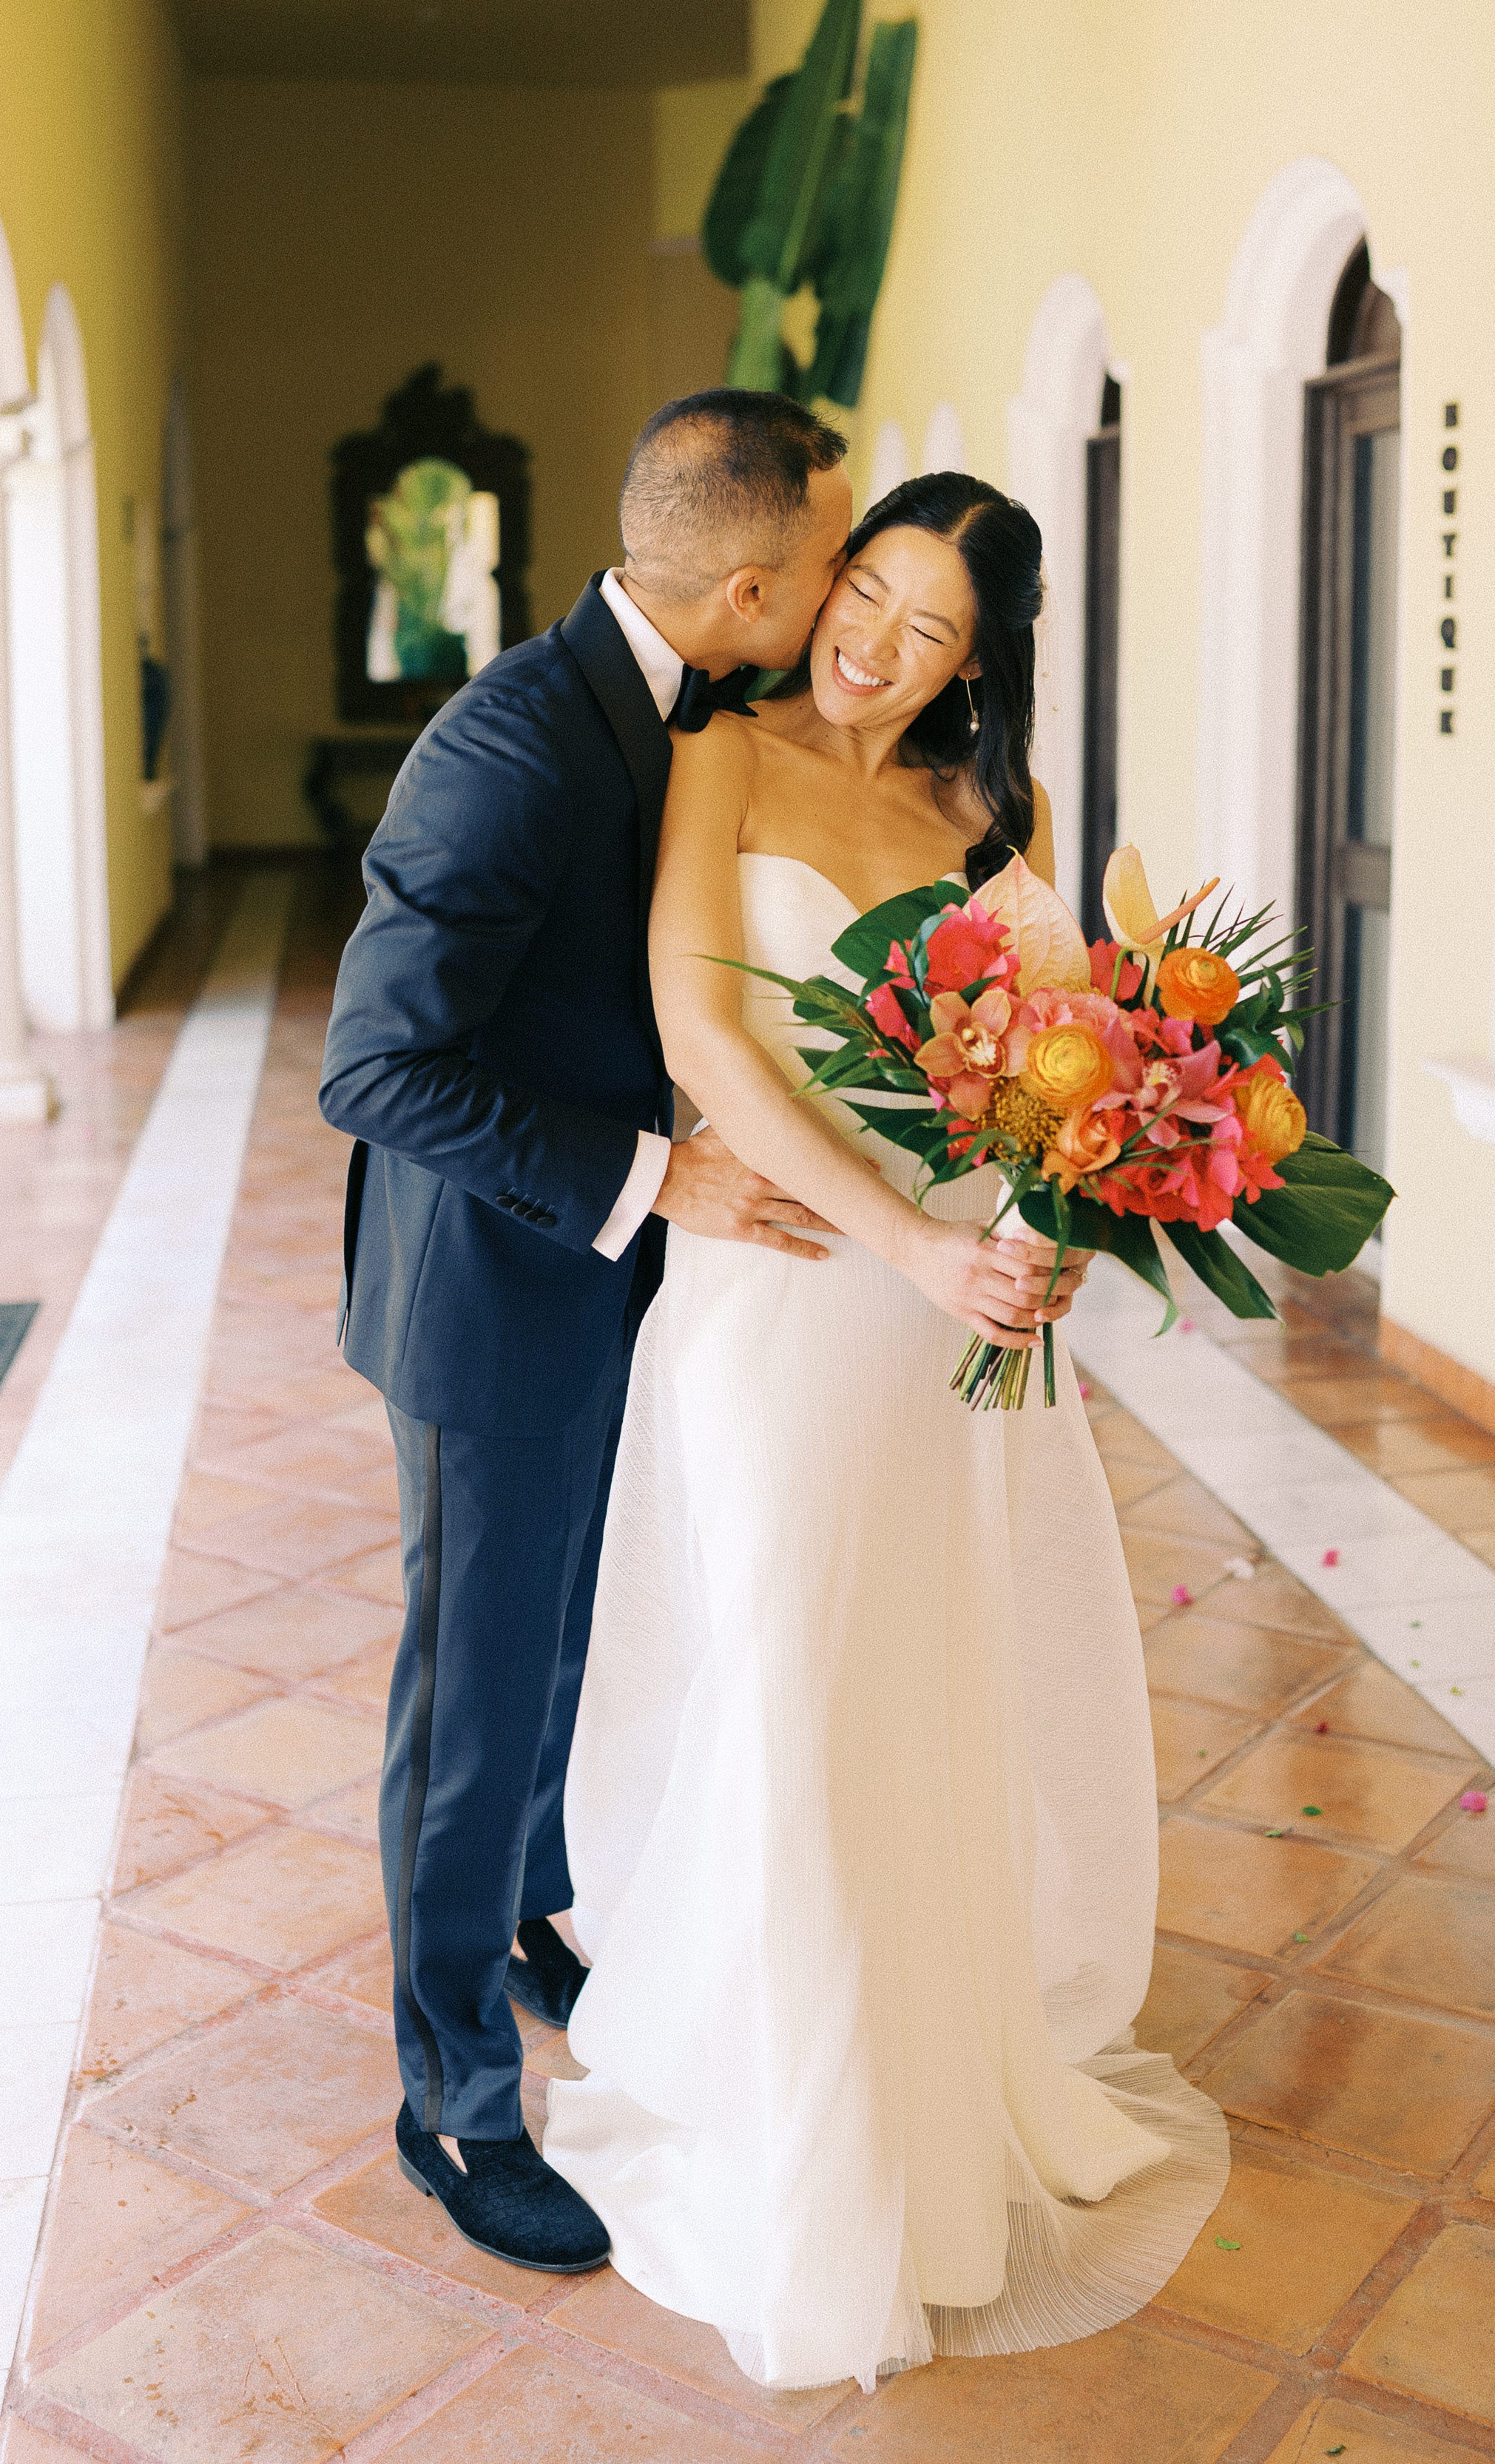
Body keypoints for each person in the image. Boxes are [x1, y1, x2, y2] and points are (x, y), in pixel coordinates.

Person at [317, 397, 1073, 2274]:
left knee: (587, 1640)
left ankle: (538, 1912)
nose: (850, 611)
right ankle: (451, 2099)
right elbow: (374, 1065)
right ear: (751, 584)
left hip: (686, 1279)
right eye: (838, 568)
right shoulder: (511, 743)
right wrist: (655, 1181)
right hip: (505, 1279)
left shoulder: (703, 710)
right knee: (477, 1704)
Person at [540, 473, 1230, 2392]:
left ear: (977, 664)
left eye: (933, 634)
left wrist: (1047, 1218)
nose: (881, 650)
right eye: (871, 598)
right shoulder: (723, 755)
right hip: (784, 1295)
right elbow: (706, 1036)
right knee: (788, 1677)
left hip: (940, 1336)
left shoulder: (977, 816)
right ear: (822, 581)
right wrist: (906, 1245)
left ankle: (928, 2129)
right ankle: (802, 2138)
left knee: (918, 1687)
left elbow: (1071, 1048)